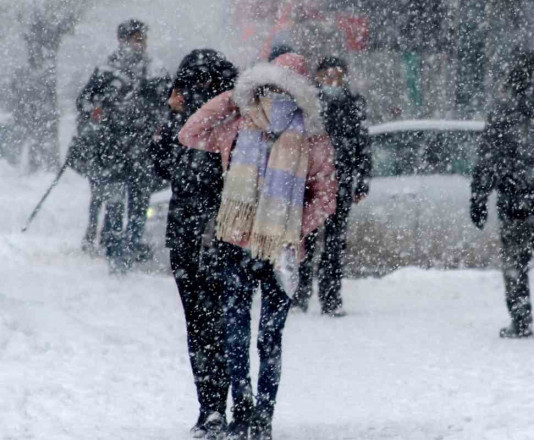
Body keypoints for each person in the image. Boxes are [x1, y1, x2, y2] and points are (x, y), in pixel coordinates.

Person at [179, 52, 337, 440]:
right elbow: (326, 198)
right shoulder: (301, 134)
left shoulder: (240, 125)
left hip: (244, 244)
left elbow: (191, 131)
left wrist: (233, 98)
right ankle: (260, 415)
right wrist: (295, 227)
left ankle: (246, 412)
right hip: (274, 248)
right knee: (267, 336)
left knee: (240, 331)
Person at [150, 49, 237, 439]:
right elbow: (158, 166)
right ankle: (214, 406)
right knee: (206, 324)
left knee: (210, 325)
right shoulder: (186, 123)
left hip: (216, 234)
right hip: (195, 235)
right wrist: (171, 115)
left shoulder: (231, 121)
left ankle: (218, 404)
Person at [470, 51, 534, 339]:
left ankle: (521, 319)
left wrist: (479, 197)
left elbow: (487, 160)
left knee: (515, 266)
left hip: (514, 203)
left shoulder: (504, 113)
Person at [75, 19, 170, 272]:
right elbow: (84, 101)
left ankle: (130, 249)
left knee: (139, 205)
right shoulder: (106, 70)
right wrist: (96, 110)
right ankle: (116, 251)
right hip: (112, 150)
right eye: (134, 39)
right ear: (122, 40)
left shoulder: (155, 70)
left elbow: (168, 105)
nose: (139, 44)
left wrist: (159, 123)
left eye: (141, 39)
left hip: (142, 150)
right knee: (115, 203)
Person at [293, 56, 371, 316]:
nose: (332, 81)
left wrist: (361, 181)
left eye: (337, 76)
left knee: (335, 244)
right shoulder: (308, 104)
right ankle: (300, 294)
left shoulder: (353, 104)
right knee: (307, 240)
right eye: (327, 76)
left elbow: (362, 143)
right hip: (312, 182)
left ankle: (331, 297)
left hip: (341, 181)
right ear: (318, 77)